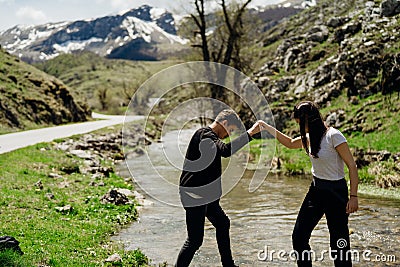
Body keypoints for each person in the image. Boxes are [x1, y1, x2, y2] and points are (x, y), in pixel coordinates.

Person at [260, 101, 359, 267]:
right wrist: (265, 126)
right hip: (316, 191)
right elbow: (291, 143)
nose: (300, 127)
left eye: (300, 123)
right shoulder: (309, 138)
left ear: (309, 119)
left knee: (338, 244)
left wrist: (353, 196)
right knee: (298, 237)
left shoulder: (333, 135)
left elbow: (352, 166)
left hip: (336, 193)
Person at [176, 109, 263, 267]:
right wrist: (250, 133)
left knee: (223, 224)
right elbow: (225, 151)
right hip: (195, 195)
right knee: (195, 240)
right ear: (224, 123)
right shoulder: (205, 135)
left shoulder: (211, 137)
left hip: (206, 196)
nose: (229, 134)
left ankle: (228, 265)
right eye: (230, 130)